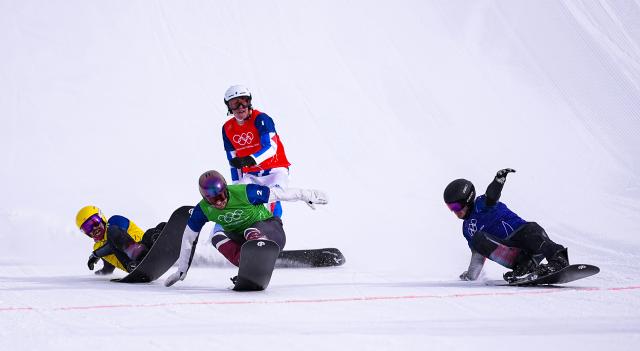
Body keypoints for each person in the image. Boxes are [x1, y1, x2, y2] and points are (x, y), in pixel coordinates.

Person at [164, 170, 327, 287]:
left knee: (250, 230)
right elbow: (188, 238)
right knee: (216, 237)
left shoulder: (245, 192)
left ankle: (257, 243)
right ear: (206, 199)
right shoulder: (202, 210)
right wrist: (182, 268)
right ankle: (244, 260)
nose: (220, 202)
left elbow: (279, 194)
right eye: (213, 200)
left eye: (221, 196)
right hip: (243, 239)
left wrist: (307, 195)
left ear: (226, 189)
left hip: (271, 230)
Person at [443, 168, 569, 282]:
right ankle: (525, 266)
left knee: (531, 230)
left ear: (468, 200)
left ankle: (559, 258)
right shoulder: (466, 229)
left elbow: (491, 196)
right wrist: (470, 276)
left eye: (456, 206)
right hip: (513, 252)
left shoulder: (481, 205)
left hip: (524, 236)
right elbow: (478, 254)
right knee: (478, 240)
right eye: (450, 207)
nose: (455, 211)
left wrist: (498, 181)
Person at [221, 85, 291, 219]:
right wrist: (237, 185)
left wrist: (250, 159)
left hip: (275, 171)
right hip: (251, 174)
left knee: (272, 197)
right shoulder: (227, 128)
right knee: (232, 201)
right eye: (235, 104)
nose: (240, 107)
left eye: (244, 101)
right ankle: (221, 235)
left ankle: (274, 228)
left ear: (249, 102)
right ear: (229, 107)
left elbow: (271, 147)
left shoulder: (261, 119)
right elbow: (233, 161)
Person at [75, 205, 165, 275]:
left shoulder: (115, 221)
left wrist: (96, 255)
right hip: (131, 264)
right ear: (86, 233)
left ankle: (162, 242)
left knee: (160, 227)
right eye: (88, 227)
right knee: (109, 239)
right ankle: (138, 259)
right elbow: (109, 264)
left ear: (101, 218)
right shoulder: (98, 247)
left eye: (95, 221)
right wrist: (104, 272)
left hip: (146, 246)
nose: (94, 228)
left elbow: (115, 241)